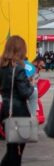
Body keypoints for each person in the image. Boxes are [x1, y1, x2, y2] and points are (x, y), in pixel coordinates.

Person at [1, 36, 34, 166]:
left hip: (5, 111)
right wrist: (31, 84)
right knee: (17, 151)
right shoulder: (19, 68)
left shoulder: (1, 65)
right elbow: (24, 93)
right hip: (18, 112)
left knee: (11, 148)